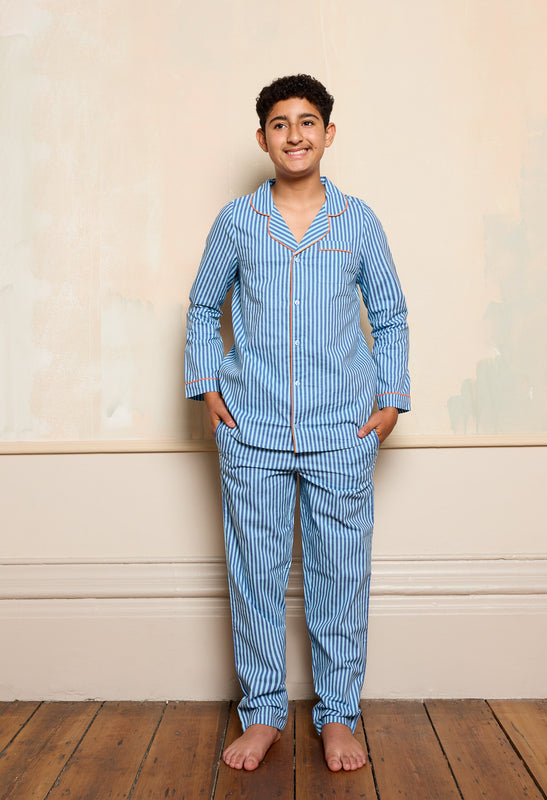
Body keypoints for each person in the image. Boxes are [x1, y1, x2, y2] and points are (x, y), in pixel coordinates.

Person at [185, 74, 409, 772]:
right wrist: (204, 385)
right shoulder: (236, 222)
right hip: (249, 430)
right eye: (280, 124)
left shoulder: (359, 222)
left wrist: (392, 398)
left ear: (328, 134)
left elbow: (392, 314)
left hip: (343, 428)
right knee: (255, 575)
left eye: (307, 122)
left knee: (339, 574)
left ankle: (338, 715)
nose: (294, 134)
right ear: (262, 139)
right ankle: (263, 713)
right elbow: (200, 308)